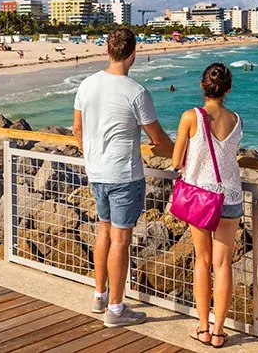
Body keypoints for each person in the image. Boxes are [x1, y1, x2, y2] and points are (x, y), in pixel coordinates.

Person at [73, 28, 174, 328]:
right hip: (124, 176)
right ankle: (116, 309)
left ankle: (100, 295)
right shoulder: (136, 92)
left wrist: (90, 156)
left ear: (107, 52)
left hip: (97, 173)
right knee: (120, 240)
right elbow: (158, 140)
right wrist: (184, 153)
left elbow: (77, 129)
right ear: (133, 54)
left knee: (103, 232)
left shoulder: (86, 85)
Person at [171, 63, 243, 348]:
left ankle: (203, 327)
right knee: (223, 264)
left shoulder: (191, 116)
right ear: (228, 89)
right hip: (231, 197)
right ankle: (219, 332)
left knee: (202, 260)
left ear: (203, 86)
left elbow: (177, 161)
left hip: (202, 197)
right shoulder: (237, 119)